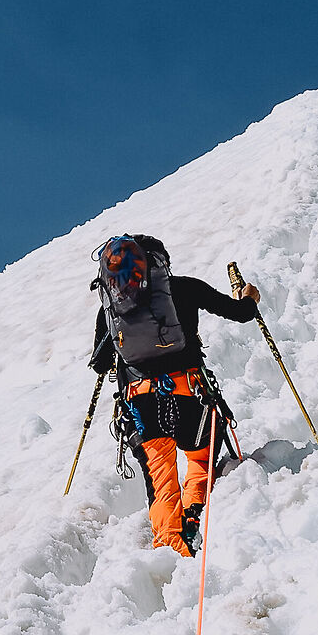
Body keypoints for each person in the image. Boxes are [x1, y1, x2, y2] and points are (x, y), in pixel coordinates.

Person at [88, 235, 260, 556]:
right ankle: (194, 513)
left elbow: (100, 362)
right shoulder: (183, 287)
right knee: (200, 456)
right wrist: (249, 296)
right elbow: (240, 313)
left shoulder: (111, 309)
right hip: (189, 391)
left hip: (140, 401)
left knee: (161, 479)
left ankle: (171, 548)